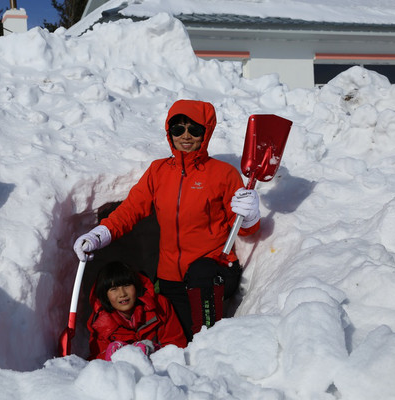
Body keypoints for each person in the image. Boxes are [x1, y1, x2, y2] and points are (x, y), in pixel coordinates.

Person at [74, 99, 261, 341]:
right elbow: (130, 210)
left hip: (214, 272)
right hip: (171, 277)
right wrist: (99, 234)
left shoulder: (223, 174)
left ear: (207, 133)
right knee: (176, 338)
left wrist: (250, 216)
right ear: (169, 132)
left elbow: (244, 230)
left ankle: (212, 348)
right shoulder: (158, 172)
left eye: (195, 129)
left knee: (201, 327)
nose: (186, 136)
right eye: (178, 129)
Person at [87, 261, 187, 360]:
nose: (122, 294)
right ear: (105, 295)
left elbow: (176, 345)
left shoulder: (159, 306)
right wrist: (114, 355)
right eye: (114, 289)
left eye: (126, 285)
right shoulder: (101, 323)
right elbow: (97, 361)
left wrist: (152, 350)